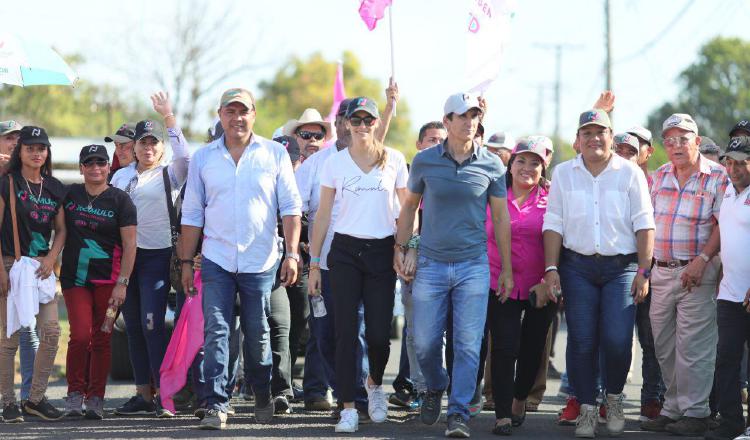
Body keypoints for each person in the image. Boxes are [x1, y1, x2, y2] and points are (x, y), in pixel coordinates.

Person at [179, 88, 302, 430]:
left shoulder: (275, 153)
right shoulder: (203, 158)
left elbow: (291, 209)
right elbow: (191, 213)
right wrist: (186, 263)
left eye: (243, 111)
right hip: (217, 257)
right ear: (220, 115)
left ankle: (262, 392)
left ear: (254, 114)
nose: (237, 118)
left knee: (257, 330)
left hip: (261, 260)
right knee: (217, 331)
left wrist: (292, 253)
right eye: (230, 112)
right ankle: (217, 402)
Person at [395, 92, 513, 438]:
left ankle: (458, 412)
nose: (468, 122)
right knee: (425, 342)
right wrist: (402, 248)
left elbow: (502, 218)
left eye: (473, 116)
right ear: (446, 121)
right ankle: (435, 386)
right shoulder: (425, 161)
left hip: (473, 266)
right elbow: (409, 207)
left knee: (467, 343)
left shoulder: (492, 164)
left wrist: (505, 268)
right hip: (430, 263)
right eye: (461, 116)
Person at [543, 109, 655, 438]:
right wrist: (551, 268)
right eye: (587, 132)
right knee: (581, 341)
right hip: (576, 267)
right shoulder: (564, 173)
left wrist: (645, 271)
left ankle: (615, 396)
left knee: (618, 340)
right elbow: (554, 224)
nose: (594, 138)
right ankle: (588, 408)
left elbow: (645, 224)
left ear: (612, 135)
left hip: (622, 268)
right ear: (578, 139)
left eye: (601, 131)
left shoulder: (630, 173)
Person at [307, 96, 409, 433]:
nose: (362, 126)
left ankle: (375, 383)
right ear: (346, 123)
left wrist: (404, 247)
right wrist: (314, 264)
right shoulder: (334, 164)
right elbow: (323, 215)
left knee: (379, 336)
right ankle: (347, 405)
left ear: (377, 123)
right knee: (345, 333)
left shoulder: (393, 159)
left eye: (368, 120)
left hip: (382, 251)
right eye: (356, 120)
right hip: (345, 252)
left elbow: (408, 211)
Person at [642, 113, 729, 437]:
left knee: (694, 347)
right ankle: (673, 408)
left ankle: (696, 412)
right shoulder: (661, 175)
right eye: (670, 139)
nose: (676, 145)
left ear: (697, 140)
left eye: (683, 138)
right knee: (664, 346)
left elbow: (724, 223)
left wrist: (704, 259)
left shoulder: (717, 176)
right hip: (662, 270)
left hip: (698, 271)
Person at [110, 92, 189, 418]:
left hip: (159, 258)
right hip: (128, 259)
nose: (148, 148)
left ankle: (165, 395)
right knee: (133, 328)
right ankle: (143, 393)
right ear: (135, 146)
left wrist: (168, 116)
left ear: (161, 146)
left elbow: (186, 154)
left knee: (153, 325)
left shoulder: (173, 172)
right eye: (143, 142)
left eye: (154, 142)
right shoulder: (120, 176)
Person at [486, 137, 557, 436]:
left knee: (533, 348)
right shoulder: (492, 194)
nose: (527, 168)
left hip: (540, 286)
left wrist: (548, 279)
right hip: (498, 281)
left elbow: (560, 242)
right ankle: (502, 413)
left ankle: (519, 397)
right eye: (521, 161)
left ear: (544, 167)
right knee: (504, 346)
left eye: (535, 163)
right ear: (510, 164)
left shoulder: (553, 198)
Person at [60, 145, 137, 420]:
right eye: (89, 163)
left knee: (102, 336)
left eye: (101, 163)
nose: (95, 168)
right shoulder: (69, 194)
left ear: (108, 166)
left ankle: (95, 398)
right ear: (81, 168)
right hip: (75, 279)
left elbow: (130, 245)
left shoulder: (121, 200)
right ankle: (73, 394)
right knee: (80, 336)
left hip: (109, 281)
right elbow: (36, 183)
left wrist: (123, 283)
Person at [0, 126, 67, 422]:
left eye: (42, 147)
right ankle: (8, 402)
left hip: (42, 268)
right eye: (30, 147)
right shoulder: (7, 183)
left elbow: (62, 229)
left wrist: (52, 258)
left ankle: (35, 399)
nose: (37, 152)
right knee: (9, 339)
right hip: (10, 265)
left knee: (52, 333)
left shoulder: (54, 187)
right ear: (20, 151)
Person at [614, 127, 666, 422]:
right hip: (616, 269)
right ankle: (609, 398)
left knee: (650, 340)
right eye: (620, 149)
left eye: (635, 149)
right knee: (614, 339)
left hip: (650, 269)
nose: (625, 155)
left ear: (647, 152)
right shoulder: (603, 180)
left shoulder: (656, 183)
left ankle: (651, 399)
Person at [707, 136, 750, 440]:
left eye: (742, 162)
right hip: (730, 292)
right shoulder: (729, 194)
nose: (734, 168)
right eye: (730, 162)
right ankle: (731, 422)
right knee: (726, 358)